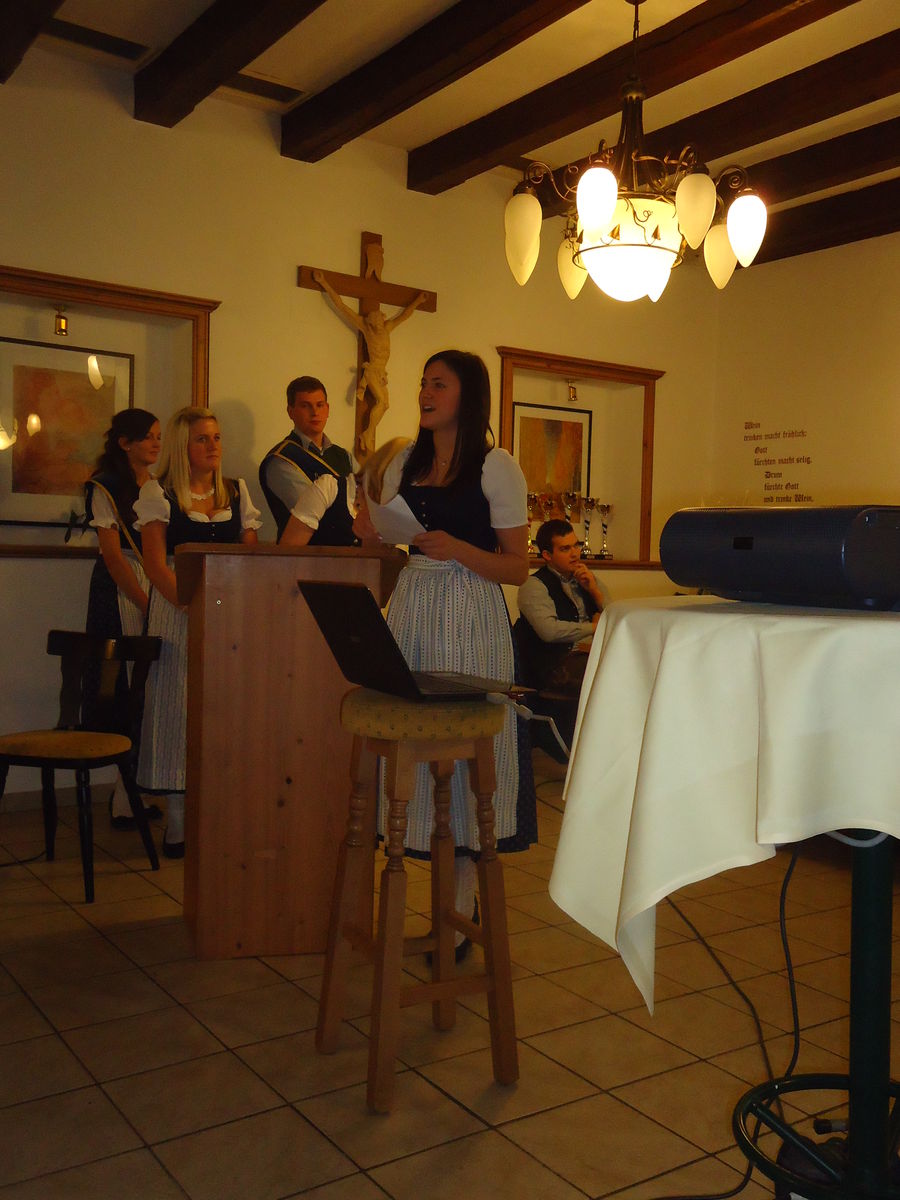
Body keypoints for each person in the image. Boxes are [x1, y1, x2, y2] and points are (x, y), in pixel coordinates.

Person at [355, 349, 535, 960]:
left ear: (468, 396)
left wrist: (457, 547)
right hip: (414, 605)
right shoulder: (407, 459)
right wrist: (374, 533)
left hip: (470, 611)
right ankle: (433, 889)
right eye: (423, 383)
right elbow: (393, 545)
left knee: (460, 757)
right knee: (415, 742)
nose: (426, 393)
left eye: (439, 384)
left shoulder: (495, 465)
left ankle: (460, 898)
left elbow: (517, 566)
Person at [135, 406, 260, 857]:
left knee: (225, 704)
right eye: (203, 439)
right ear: (182, 446)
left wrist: (230, 604)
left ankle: (219, 811)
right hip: (177, 609)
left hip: (227, 609)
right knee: (176, 706)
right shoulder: (159, 492)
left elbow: (249, 556)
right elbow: (154, 563)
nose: (213, 446)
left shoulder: (236, 491)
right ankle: (178, 819)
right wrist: (189, 603)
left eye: (217, 437)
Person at [84, 408, 163, 829]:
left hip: (153, 580)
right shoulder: (105, 487)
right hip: (119, 591)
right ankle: (123, 794)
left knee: (148, 689)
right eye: (148, 437)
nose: (156, 444)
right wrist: (146, 602)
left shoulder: (159, 487)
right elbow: (114, 557)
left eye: (158, 437)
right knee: (120, 689)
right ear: (125, 443)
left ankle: (135, 789)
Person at [312, 268, 428, 458]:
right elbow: (342, 306)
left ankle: (367, 432)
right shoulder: (366, 329)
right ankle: (367, 433)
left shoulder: (387, 328)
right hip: (372, 370)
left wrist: (418, 301)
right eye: (373, 321)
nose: (376, 323)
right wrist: (323, 282)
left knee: (385, 405)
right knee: (381, 402)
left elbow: (405, 315)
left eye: (378, 320)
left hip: (382, 373)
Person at [515, 518, 606, 754]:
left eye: (576, 545)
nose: (575, 553)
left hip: (587, 657)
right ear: (547, 555)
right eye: (565, 549)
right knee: (609, 676)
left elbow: (617, 620)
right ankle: (592, 750)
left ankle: (609, 748)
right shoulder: (534, 586)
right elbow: (550, 631)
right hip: (553, 667)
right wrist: (594, 627)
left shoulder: (586, 579)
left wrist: (595, 592)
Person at [259, 375, 357, 546]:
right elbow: (313, 510)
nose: (315, 412)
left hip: (348, 553)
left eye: (320, 405)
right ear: (290, 411)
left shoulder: (344, 456)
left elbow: (364, 502)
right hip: (305, 554)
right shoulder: (280, 460)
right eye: (305, 406)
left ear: (327, 409)